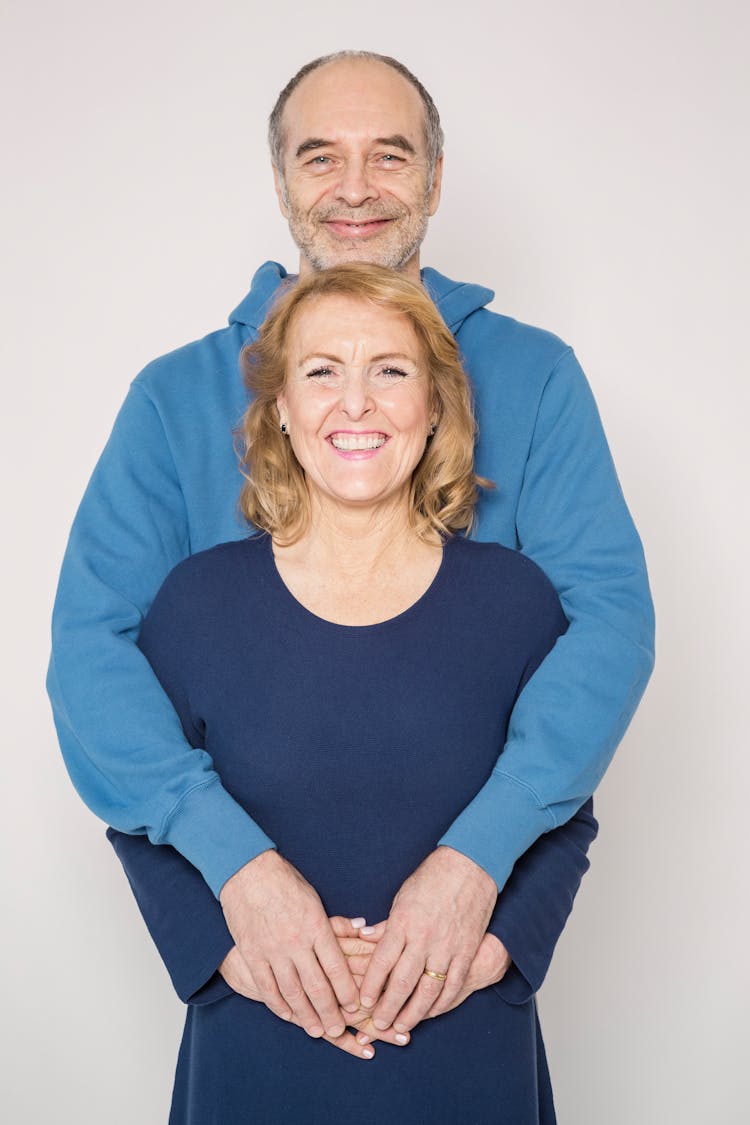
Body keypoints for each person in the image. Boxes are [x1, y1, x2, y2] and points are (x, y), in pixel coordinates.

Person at [48, 50, 653, 1048]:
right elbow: (92, 652)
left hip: (464, 954)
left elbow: (608, 628)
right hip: (258, 957)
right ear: (281, 179)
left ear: (435, 178)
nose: (358, 189)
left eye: (391, 154)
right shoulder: (174, 397)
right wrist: (234, 875)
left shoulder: (536, 379)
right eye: (321, 157)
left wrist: (478, 867)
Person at [119, 261, 591, 1122]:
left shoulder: (516, 601)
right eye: (322, 371)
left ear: (438, 405)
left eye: (392, 370)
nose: (358, 402)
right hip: (257, 1045)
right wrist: (225, 954)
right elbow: (138, 806)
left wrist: (492, 954)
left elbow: (565, 807)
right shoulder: (195, 603)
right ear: (281, 412)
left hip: (463, 1041)